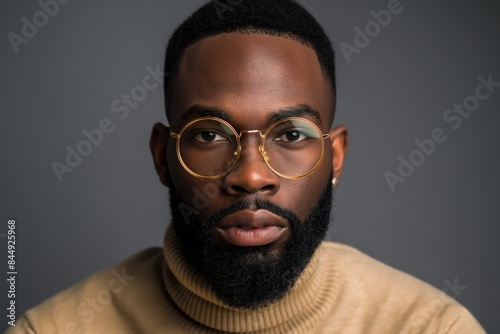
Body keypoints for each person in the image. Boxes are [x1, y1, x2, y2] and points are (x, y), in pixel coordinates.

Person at [8, 1, 485, 333]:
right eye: (210, 134)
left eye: (292, 135)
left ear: (335, 156)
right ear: (162, 156)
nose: (252, 176)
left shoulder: (429, 327)